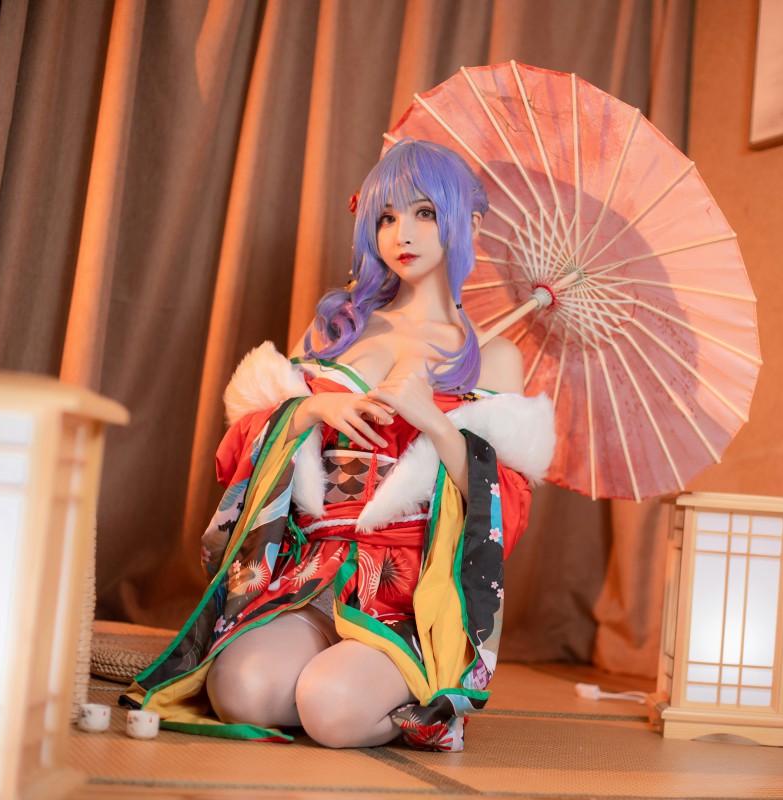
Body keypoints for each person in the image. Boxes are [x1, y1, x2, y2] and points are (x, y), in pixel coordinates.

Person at [125, 140, 555, 752]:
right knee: (240, 691)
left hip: (410, 591)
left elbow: (504, 504)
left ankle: (418, 703)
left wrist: (433, 422)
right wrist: (311, 409)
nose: (403, 233)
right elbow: (245, 444)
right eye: (387, 216)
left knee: (330, 710)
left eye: (425, 213)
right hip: (312, 568)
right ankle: (334, 679)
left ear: (471, 224)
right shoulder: (338, 328)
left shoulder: (496, 356)